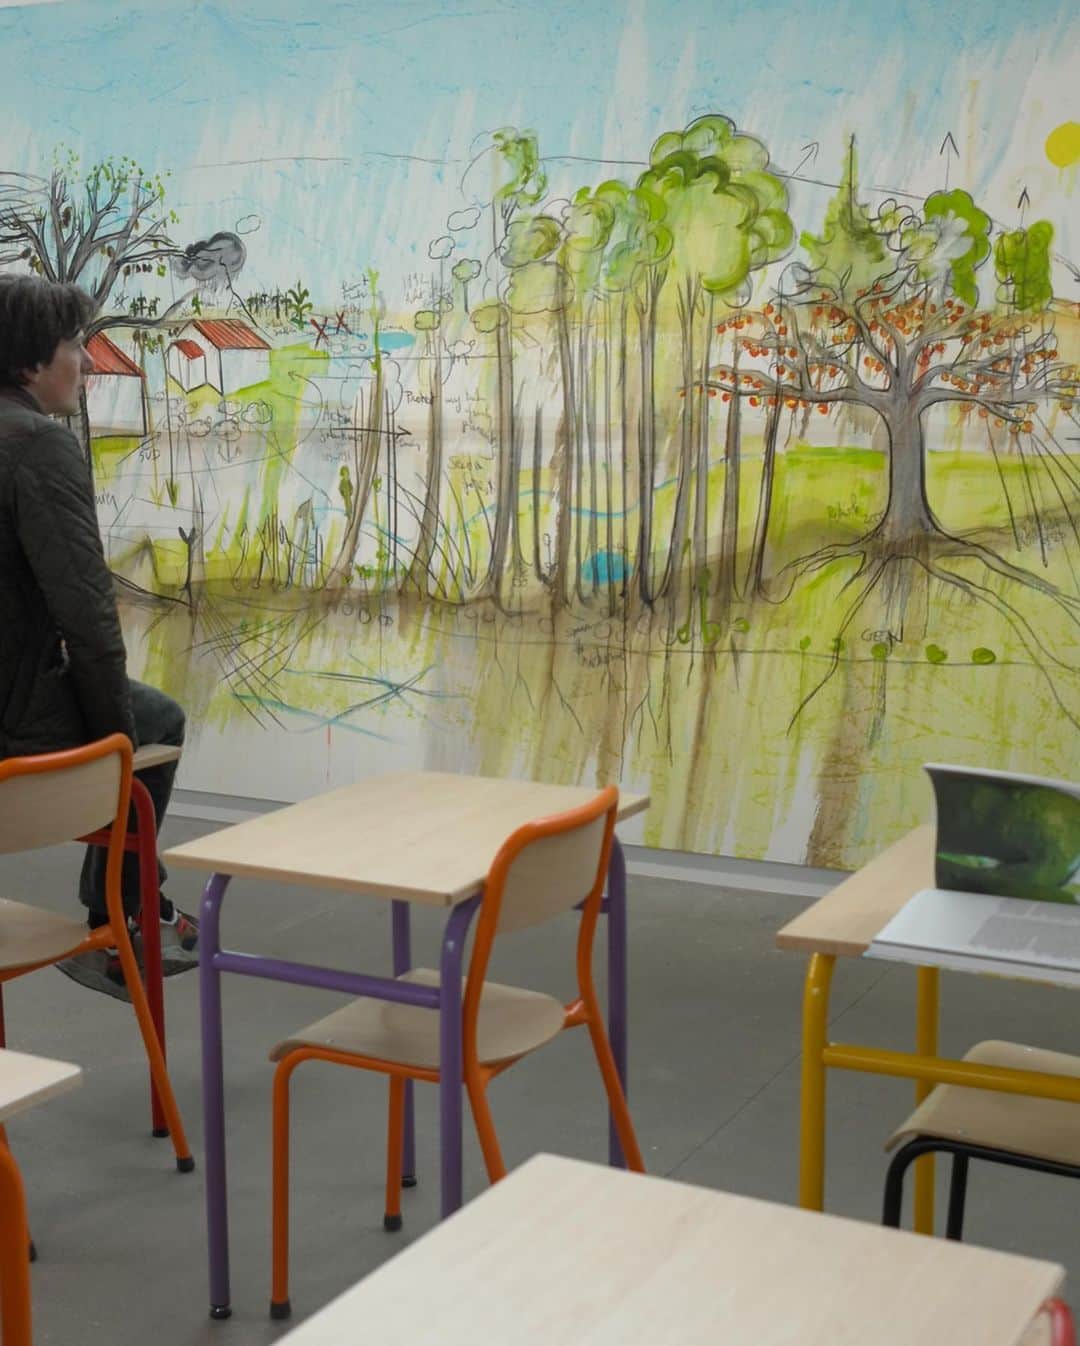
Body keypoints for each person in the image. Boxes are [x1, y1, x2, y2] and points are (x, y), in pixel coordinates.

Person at [0, 274, 198, 999]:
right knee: (155, 721)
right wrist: (118, 745)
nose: (85, 361)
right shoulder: (38, 447)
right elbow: (87, 620)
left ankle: (136, 906)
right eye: (73, 346)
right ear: (31, 363)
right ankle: (123, 918)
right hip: (13, 725)